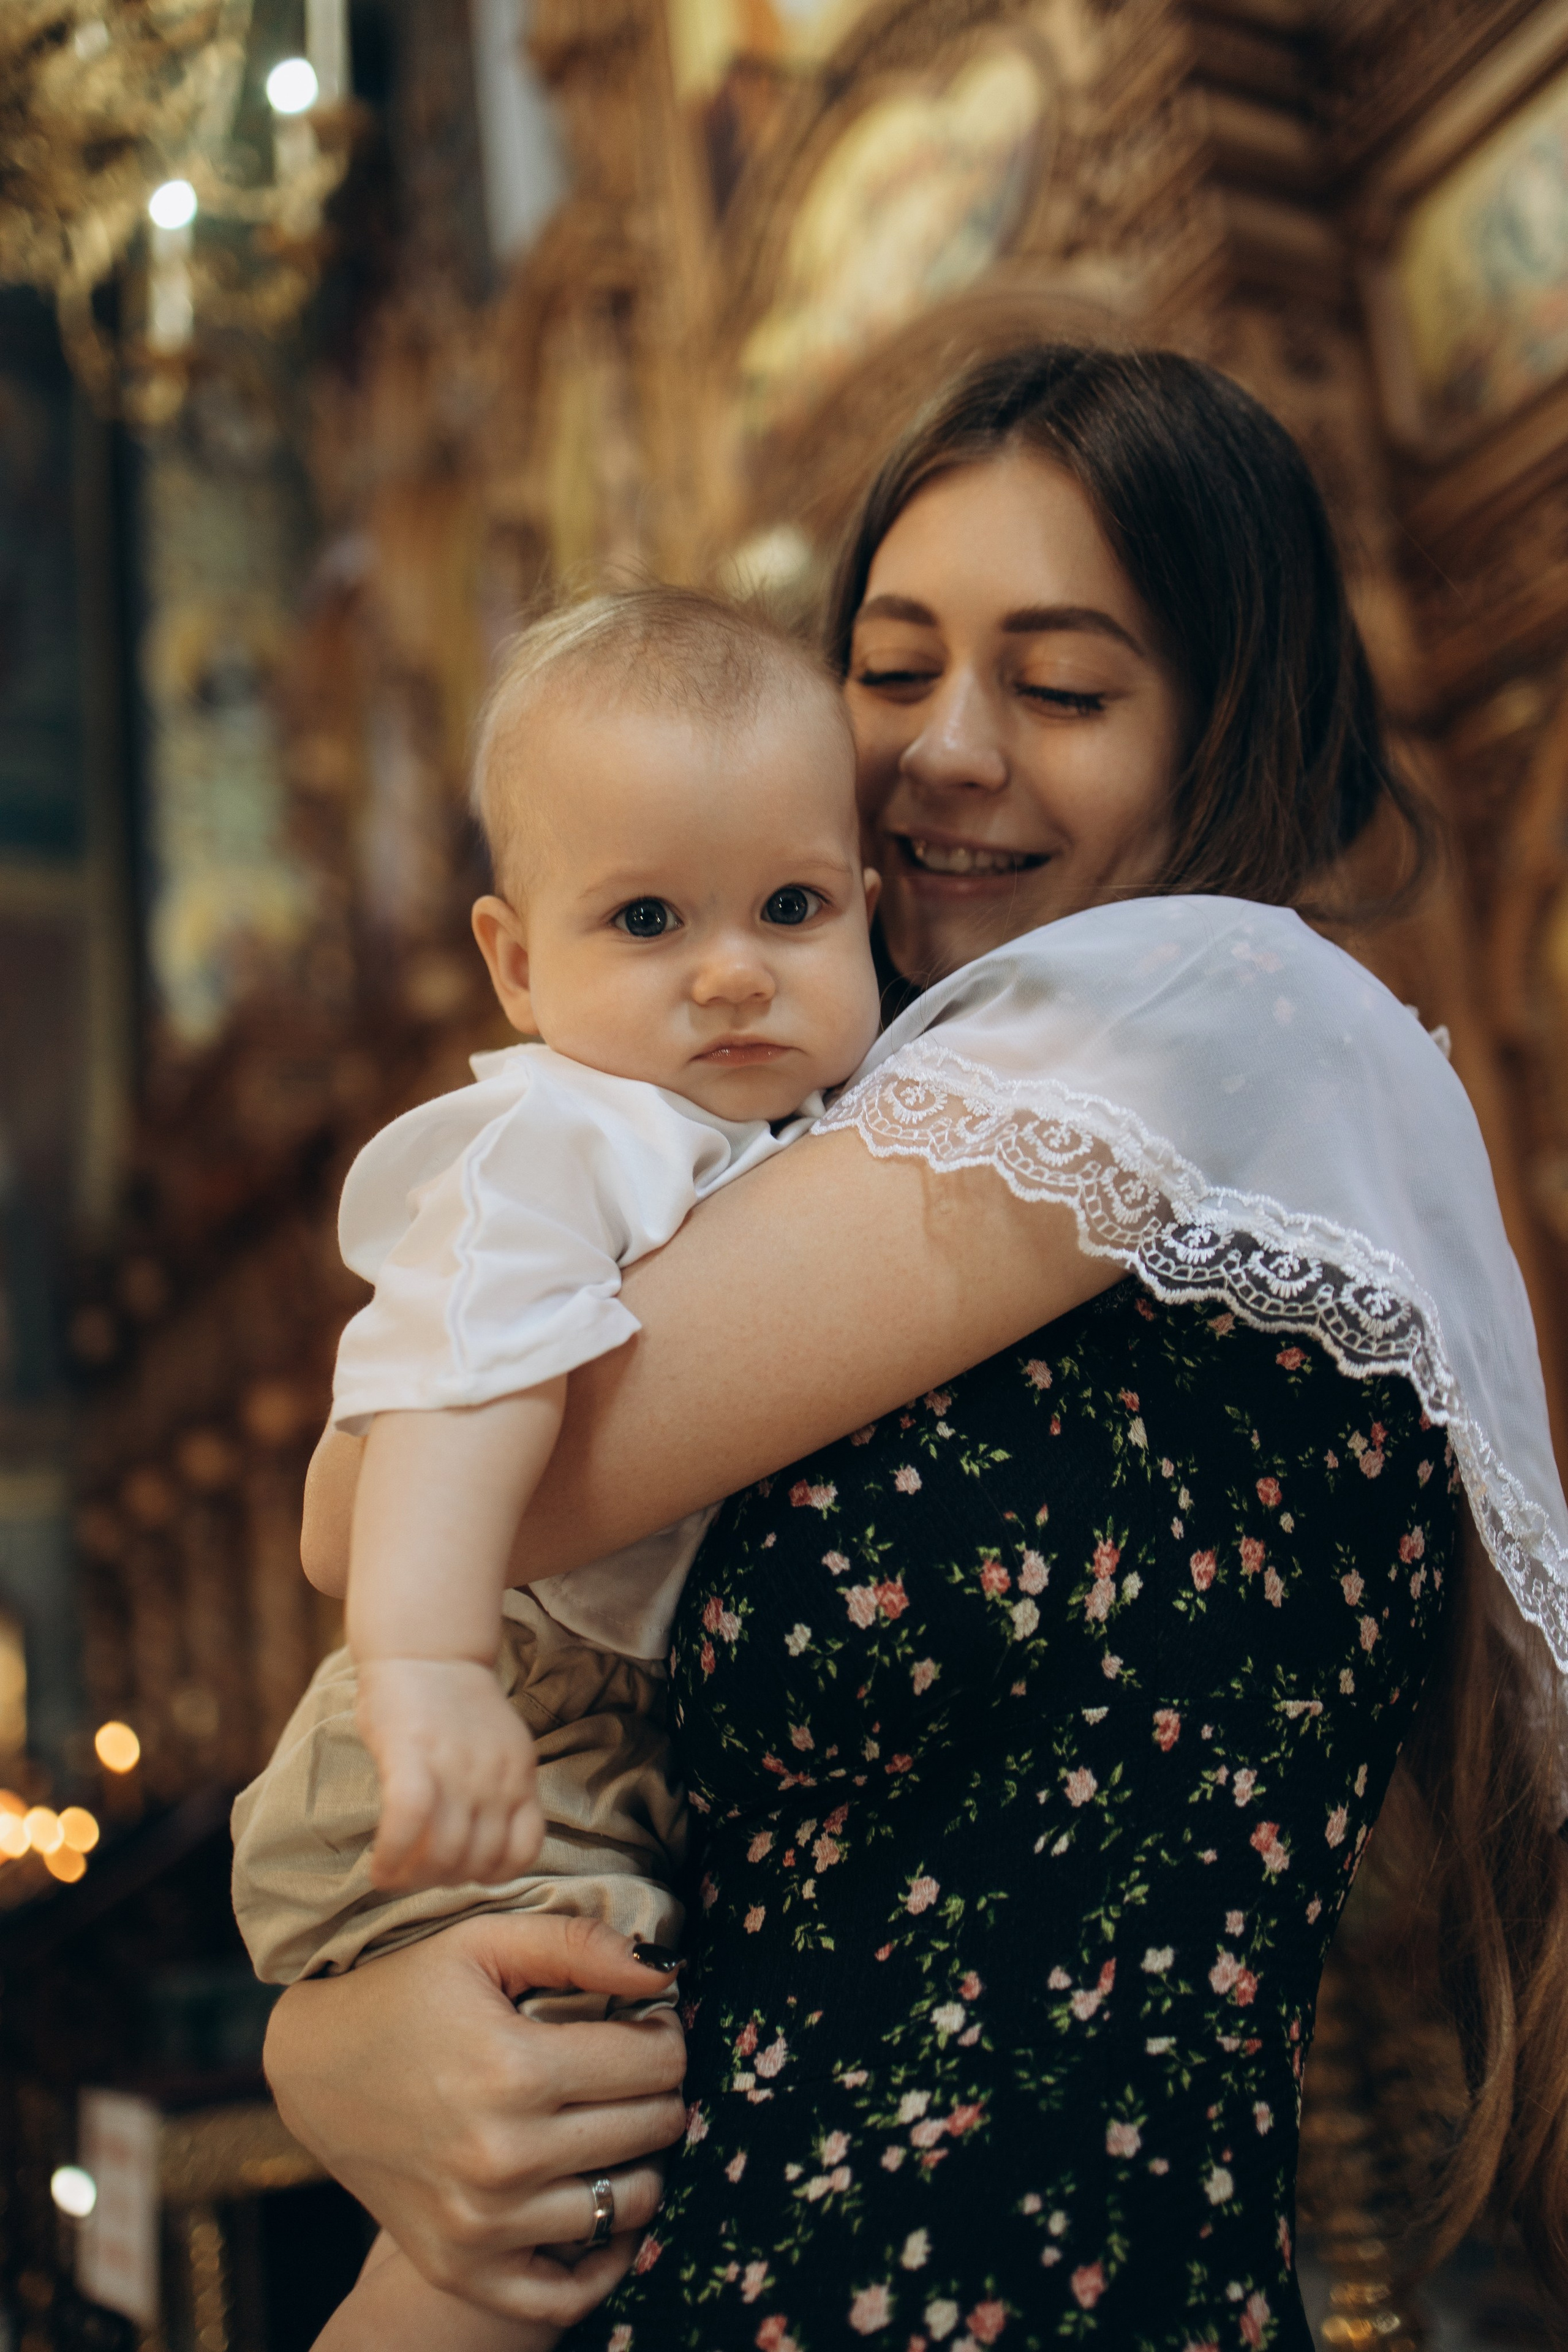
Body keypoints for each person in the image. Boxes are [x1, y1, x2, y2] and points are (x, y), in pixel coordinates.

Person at [266, 347, 1568, 2351]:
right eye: (890, 670)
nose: (946, 752)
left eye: (1061, 688)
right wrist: (341, 2039)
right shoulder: (826, 1121)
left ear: (1231, 720)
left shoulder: (1200, 1003)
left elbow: (370, 1506)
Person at [231, 588, 883, 2350]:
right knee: (548, 2152)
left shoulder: (809, 1119)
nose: (735, 967)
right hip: (488, 1704)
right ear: (519, 964)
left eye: (795, 907)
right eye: (650, 917)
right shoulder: (567, 1134)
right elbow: (459, 1382)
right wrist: (430, 1665)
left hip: (567, 1710)